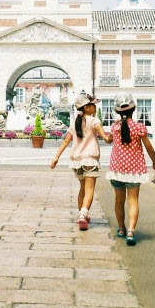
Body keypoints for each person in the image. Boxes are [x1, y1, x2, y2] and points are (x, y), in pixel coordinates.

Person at [50, 92, 112, 231]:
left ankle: (82, 213)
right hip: (90, 159)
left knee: (82, 188)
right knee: (90, 189)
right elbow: (105, 138)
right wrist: (111, 137)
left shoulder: (75, 122)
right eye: (92, 105)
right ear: (86, 108)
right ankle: (83, 215)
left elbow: (66, 141)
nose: (95, 107)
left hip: (76, 161)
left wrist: (56, 157)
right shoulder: (94, 121)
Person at [107, 93, 155, 246]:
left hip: (117, 169)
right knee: (133, 201)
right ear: (134, 108)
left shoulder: (115, 127)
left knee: (119, 200)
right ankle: (131, 231)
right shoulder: (139, 127)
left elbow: (109, 139)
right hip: (135, 170)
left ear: (117, 111)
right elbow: (149, 147)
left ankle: (121, 229)